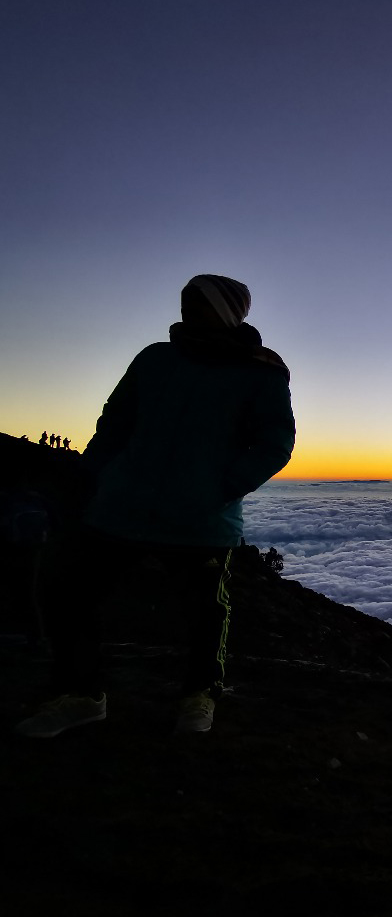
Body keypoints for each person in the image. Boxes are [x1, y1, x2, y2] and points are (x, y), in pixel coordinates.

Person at [15, 274, 295, 738]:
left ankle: (199, 696)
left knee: (205, 613)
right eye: (185, 301)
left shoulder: (259, 372)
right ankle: (81, 695)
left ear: (227, 312)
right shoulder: (155, 359)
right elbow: (115, 422)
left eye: (199, 303)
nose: (186, 310)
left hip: (200, 520)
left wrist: (218, 490)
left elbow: (274, 444)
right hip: (120, 508)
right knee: (69, 592)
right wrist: (94, 477)